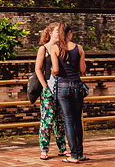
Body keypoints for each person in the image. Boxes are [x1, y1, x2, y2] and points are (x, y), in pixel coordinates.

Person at [49, 23, 88, 163]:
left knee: (68, 121)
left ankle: (74, 155)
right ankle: (80, 153)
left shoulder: (55, 48)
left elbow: (55, 70)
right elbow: (82, 69)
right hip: (77, 85)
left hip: (63, 86)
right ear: (70, 33)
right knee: (78, 121)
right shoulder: (79, 48)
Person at [35, 23, 68, 160]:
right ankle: (44, 149)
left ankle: (62, 148)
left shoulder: (62, 48)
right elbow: (38, 68)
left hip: (61, 88)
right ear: (49, 33)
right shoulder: (44, 49)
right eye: (56, 31)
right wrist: (44, 86)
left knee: (60, 121)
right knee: (47, 120)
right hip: (49, 88)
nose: (58, 34)